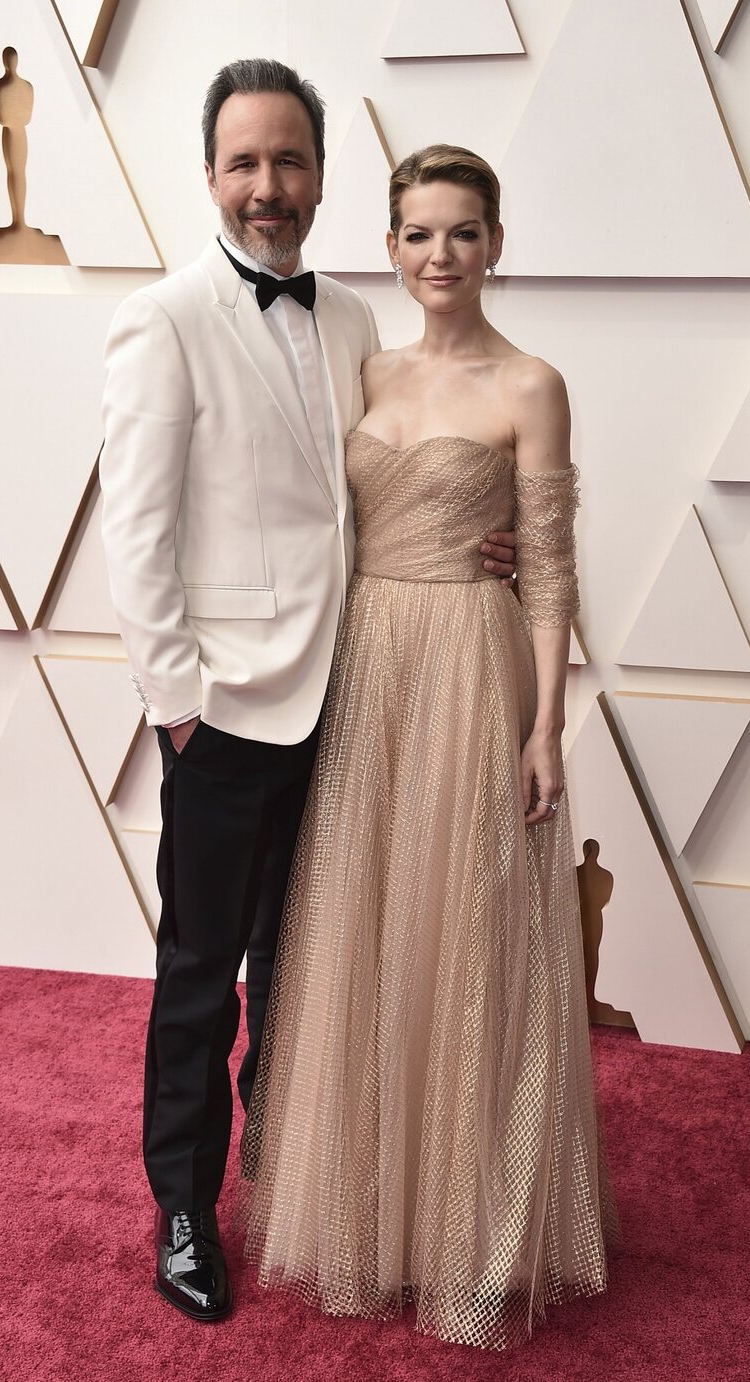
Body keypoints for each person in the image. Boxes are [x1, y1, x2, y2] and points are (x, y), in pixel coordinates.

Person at [99, 64, 517, 1322]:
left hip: (354, 697)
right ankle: (183, 1206)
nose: (267, 187)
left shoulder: (352, 322)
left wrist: (476, 535)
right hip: (223, 709)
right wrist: (179, 702)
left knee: (308, 967)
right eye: (244, 163)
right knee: (199, 973)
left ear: (324, 176)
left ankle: (290, 1176)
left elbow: (376, 485)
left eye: (289, 162)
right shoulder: (161, 318)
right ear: (210, 174)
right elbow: (138, 535)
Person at [243, 144, 616, 1351]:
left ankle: (467, 1233)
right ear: (391, 245)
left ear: (496, 242)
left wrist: (545, 720)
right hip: (366, 666)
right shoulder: (361, 369)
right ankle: (371, 1220)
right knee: (366, 934)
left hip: (470, 666)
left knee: (464, 937)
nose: (439, 256)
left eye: (462, 233)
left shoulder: (533, 384)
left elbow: (551, 564)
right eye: (417, 234)